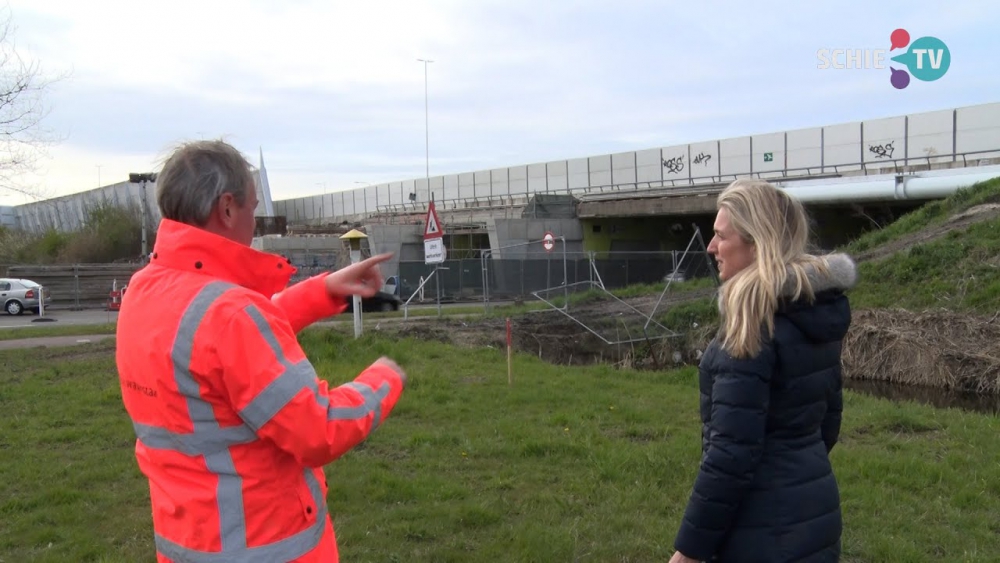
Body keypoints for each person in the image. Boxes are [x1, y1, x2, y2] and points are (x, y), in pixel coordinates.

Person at [116, 139, 407, 563]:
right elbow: (319, 430)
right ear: (228, 208)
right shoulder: (231, 314)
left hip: (189, 541)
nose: (255, 222)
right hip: (266, 546)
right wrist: (385, 380)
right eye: (253, 208)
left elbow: (221, 346)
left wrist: (323, 291)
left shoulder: (146, 289)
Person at [669, 179, 857, 562]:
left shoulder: (751, 328)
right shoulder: (815, 313)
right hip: (816, 515)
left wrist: (687, 554)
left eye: (721, 236)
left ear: (755, 242)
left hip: (762, 531)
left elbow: (729, 457)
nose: (711, 247)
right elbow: (828, 423)